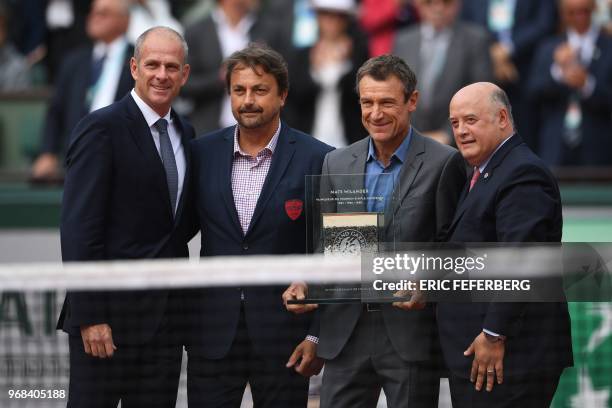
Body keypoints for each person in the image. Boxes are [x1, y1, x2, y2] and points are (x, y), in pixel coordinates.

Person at [283, 54, 466, 408]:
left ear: (412, 101)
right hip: (344, 334)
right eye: (367, 102)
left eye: (387, 102)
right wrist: (307, 285)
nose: (375, 113)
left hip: (409, 334)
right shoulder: (335, 162)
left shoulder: (445, 162)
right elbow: (329, 248)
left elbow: (453, 247)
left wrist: (426, 285)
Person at [186, 44, 333, 407]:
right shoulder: (200, 153)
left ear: (282, 95)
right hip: (212, 337)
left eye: (260, 90)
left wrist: (317, 337)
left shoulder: (321, 157)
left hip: (286, 339)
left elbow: (338, 249)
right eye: (239, 90)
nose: (248, 100)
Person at [57, 26, 194, 408]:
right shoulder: (100, 128)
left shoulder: (187, 133)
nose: (161, 75)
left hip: (165, 327)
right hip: (107, 325)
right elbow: (79, 229)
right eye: (152, 64)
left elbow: (176, 226)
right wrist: (91, 316)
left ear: (184, 74)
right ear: (134, 68)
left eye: (171, 66)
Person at [438, 82, 573, 407]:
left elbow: (521, 260)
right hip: (482, 357)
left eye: (470, 120)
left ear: (502, 118)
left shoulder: (522, 172)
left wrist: (494, 333)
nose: (461, 131)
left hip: (508, 358)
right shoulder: (479, 172)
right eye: (455, 123)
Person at [31, 0, 133, 182]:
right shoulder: (73, 62)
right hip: (76, 157)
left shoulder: (140, 60)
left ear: (125, 20)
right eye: (92, 12)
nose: (94, 18)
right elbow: (56, 111)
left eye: (104, 13)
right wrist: (47, 152)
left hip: (123, 157)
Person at [460, 0, 559, 151]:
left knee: (525, 140)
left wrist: (508, 49)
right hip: (481, 75)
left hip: (525, 75)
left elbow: (544, 23)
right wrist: (492, 51)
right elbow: (466, 24)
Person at [393, 0, 493, 145]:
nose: (438, 7)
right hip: (410, 140)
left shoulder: (476, 40)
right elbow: (396, 91)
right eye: (429, 2)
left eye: (446, 2)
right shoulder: (403, 40)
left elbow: (482, 94)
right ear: (418, 4)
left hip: (458, 142)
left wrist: (449, 133)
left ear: (457, 4)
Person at [528, 0, 612, 166]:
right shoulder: (548, 48)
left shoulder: (608, 47)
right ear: (562, 13)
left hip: (598, 147)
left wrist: (587, 84)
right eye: (571, 12)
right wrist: (558, 73)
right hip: (555, 146)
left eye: (584, 11)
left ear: (594, 9)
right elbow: (533, 92)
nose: (578, 17)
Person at [182, 0, 276, 135]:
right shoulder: (196, 31)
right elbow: (183, 85)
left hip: (258, 133)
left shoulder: (269, 30)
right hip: (209, 133)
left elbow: (282, 82)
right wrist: (221, 77)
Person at [284, 0, 369, 148]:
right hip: (308, 142)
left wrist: (345, 64)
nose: (332, 21)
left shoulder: (359, 55)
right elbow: (293, 99)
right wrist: (315, 69)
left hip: (349, 143)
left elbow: (361, 99)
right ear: (317, 16)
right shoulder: (302, 56)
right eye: (325, 14)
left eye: (338, 16)